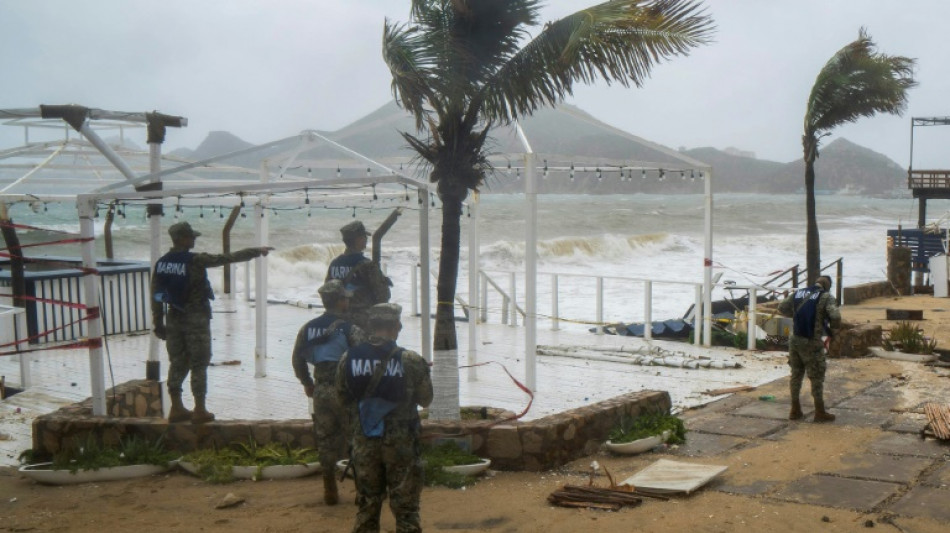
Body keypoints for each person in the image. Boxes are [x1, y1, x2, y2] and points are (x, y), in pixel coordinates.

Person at [151, 221, 272, 424]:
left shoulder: (162, 263)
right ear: (181, 238)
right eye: (191, 236)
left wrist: (158, 322)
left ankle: (176, 407)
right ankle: (200, 409)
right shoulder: (195, 260)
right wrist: (256, 251)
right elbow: (226, 258)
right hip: (196, 319)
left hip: (173, 318)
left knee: (177, 362)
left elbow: (156, 294)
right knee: (199, 362)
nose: (194, 240)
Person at [336, 303, 432, 533]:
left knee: (367, 505)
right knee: (406, 509)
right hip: (401, 446)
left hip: (364, 443)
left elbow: (341, 398)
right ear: (396, 326)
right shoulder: (410, 360)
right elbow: (426, 399)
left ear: (371, 326)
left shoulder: (349, 358)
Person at [291, 279, 365, 505]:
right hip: (345, 391)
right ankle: (361, 491)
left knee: (325, 440)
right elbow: (362, 358)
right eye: (345, 298)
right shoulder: (350, 328)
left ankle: (329, 489)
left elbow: (297, 358)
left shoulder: (308, 328)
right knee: (356, 440)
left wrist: (307, 382)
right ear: (341, 301)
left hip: (320, 389)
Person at [778, 275, 841, 422]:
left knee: (796, 374)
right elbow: (836, 316)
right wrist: (835, 330)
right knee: (816, 375)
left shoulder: (798, 293)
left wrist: (796, 315)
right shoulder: (826, 296)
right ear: (827, 286)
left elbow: (782, 308)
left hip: (795, 339)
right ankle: (819, 412)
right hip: (811, 341)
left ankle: (795, 410)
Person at [326, 220, 391, 329]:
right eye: (364, 237)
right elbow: (383, 296)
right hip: (362, 322)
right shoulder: (367, 265)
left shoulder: (334, 264)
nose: (366, 240)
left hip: (338, 321)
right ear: (359, 239)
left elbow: (327, 293)